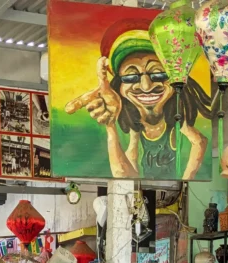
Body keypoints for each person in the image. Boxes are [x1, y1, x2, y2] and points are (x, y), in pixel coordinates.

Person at [65, 18, 211, 180]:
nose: (146, 86)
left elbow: (200, 142)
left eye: (157, 73)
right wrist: (111, 127)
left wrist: (185, 182)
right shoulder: (134, 127)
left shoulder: (177, 120)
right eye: (131, 76)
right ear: (119, 86)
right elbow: (125, 175)